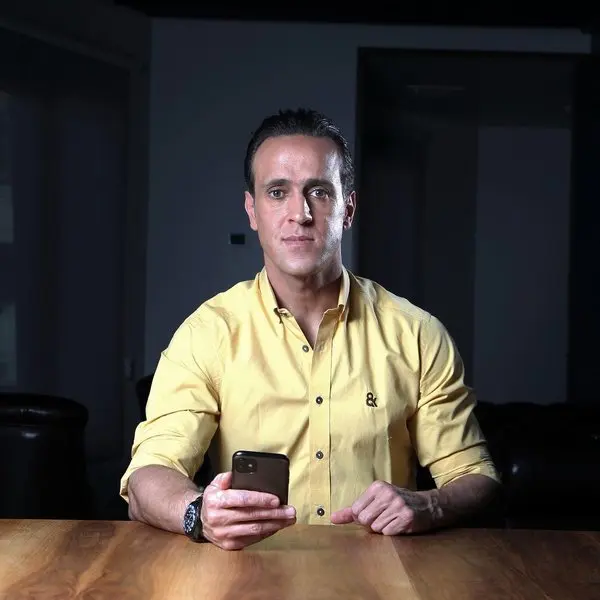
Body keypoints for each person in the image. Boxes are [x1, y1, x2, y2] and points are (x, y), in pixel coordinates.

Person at [120, 108, 500, 551]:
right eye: (277, 192)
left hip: (378, 578)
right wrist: (197, 512)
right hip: (249, 578)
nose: (299, 213)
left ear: (348, 209)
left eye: (318, 192)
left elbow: (476, 476)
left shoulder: (417, 335)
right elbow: (148, 476)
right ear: (252, 211)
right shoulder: (208, 333)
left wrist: (429, 505)